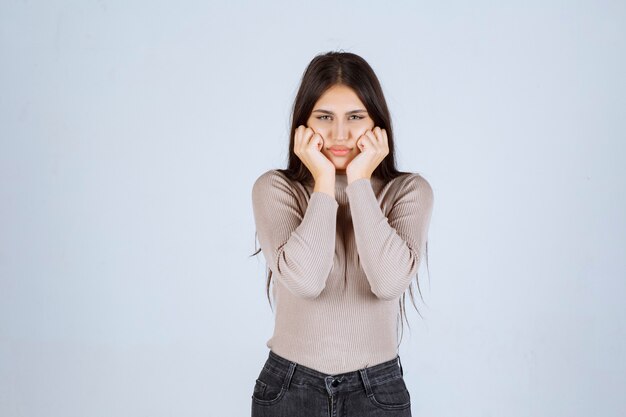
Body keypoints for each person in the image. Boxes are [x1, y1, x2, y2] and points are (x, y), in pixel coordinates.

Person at [250, 51, 434, 417]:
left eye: (355, 117)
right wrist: (321, 180)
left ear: (377, 124)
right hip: (289, 386)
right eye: (324, 117)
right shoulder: (276, 189)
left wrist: (360, 182)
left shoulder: (408, 191)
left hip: (377, 390)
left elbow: (388, 282)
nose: (339, 134)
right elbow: (305, 281)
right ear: (303, 124)